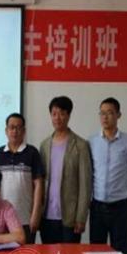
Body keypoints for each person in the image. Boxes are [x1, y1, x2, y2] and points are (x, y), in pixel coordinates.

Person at [89, 97, 127, 254]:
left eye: (110, 113)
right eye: (102, 113)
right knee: (96, 253)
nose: (105, 117)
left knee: (119, 253)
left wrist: (126, 190)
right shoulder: (92, 142)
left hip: (119, 207)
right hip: (97, 206)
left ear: (118, 115)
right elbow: (89, 173)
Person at [39, 96, 92, 244]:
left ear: (69, 115)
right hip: (47, 216)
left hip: (70, 217)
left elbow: (85, 185)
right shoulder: (44, 145)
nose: (58, 118)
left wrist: (81, 217)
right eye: (54, 114)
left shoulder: (80, 145)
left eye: (62, 113)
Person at [0, 113, 44, 244]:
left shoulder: (32, 152)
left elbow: (39, 184)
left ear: (24, 131)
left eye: (18, 127)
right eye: (11, 127)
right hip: (3, 219)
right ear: (6, 130)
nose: (15, 131)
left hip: (25, 218)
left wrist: (36, 213)